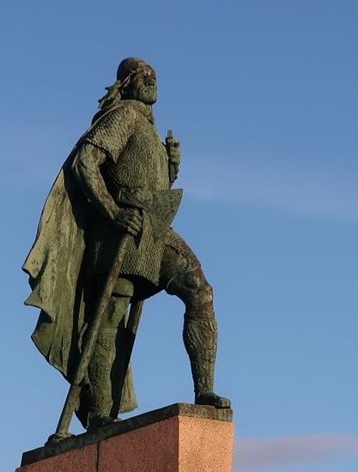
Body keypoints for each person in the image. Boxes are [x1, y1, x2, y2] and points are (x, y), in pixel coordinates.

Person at [23, 57, 230, 431]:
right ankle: (100, 411)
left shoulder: (147, 127)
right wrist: (113, 211)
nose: (151, 81)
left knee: (201, 292)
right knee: (109, 318)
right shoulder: (126, 114)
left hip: (153, 227)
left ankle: (205, 392)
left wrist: (172, 166)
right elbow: (86, 161)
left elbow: (151, 181)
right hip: (122, 229)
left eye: (155, 76)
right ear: (126, 83)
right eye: (143, 76)